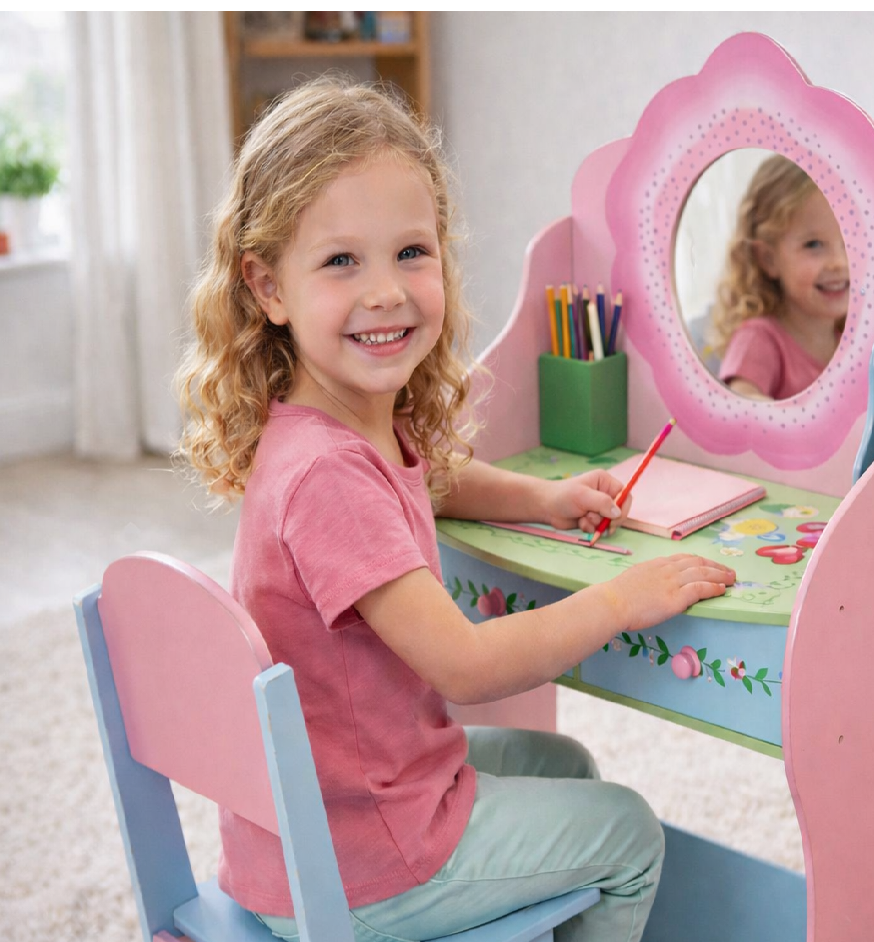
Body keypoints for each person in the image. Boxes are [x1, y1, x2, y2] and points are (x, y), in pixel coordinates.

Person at [176, 76, 736, 942]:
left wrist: (544, 498)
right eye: (340, 261)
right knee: (628, 833)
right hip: (360, 862)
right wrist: (621, 600)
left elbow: (430, 478)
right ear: (267, 287)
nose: (386, 291)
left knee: (564, 765)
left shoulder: (329, 425)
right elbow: (466, 669)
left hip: (326, 814)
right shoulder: (327, 477)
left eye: (411, 252)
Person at [705, 154, 849, 401]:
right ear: (769, 259)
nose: (839, 262)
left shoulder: (846, 341)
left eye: (848, 242)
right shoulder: (759, 339)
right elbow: (741, 401)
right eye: (813, 244)